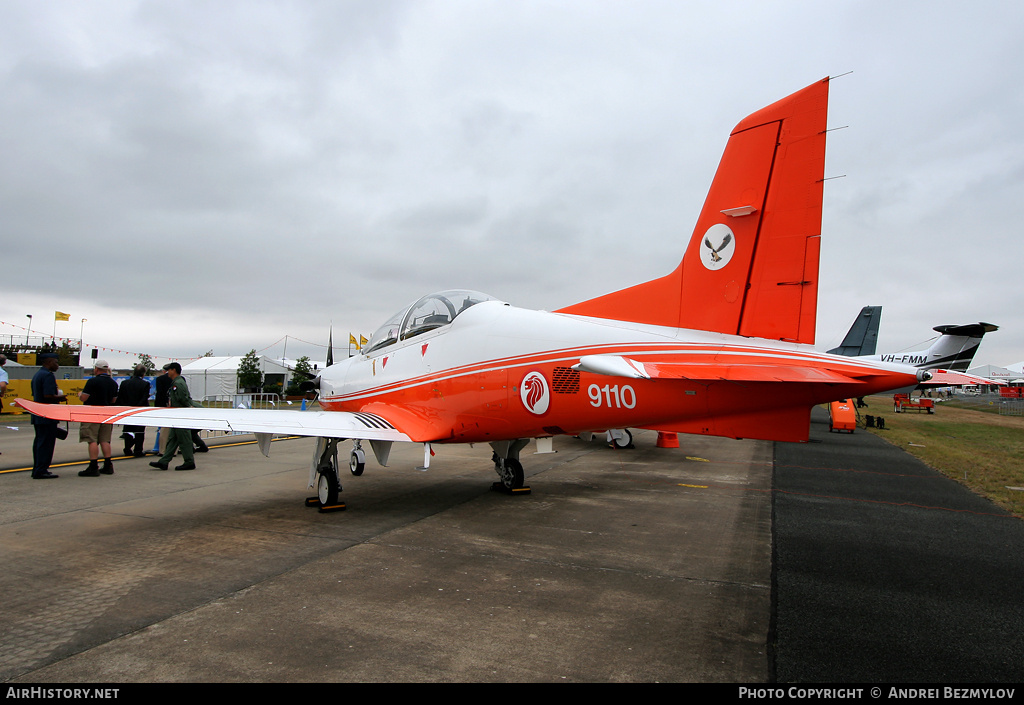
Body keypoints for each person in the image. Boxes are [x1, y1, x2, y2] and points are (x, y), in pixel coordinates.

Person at [150, 362, 197, 471]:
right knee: (173, 439)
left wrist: (185, 411)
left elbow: (183, 399)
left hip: (180, 415)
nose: (167, 372)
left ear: (174, 370)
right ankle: (164, 462)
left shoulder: (178, 383)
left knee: (184, 439)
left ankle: (189, 462)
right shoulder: (176, 382)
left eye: (169, 370)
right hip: (177, 416)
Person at [78, 360, 118, 476]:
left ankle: (93, 465)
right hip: (107, 413)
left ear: (96, 369)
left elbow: (84, 398)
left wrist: (80, 394)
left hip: (92, 413)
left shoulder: (92, 381)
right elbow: (113, 400)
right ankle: (108, 464)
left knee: (92, 439)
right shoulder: (113, 383)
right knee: (104, 439)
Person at [30, 353, 67, 479]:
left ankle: (37, 468)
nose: (57, 365)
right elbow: (48, 396)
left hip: (38, 414)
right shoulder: (47, 376)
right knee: (46, 444)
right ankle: (41, 470)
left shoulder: (37, 375)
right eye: (55, 362)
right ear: (48, 362)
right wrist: (60, 397)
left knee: (40, 443)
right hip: (47, 415)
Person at [117, 364, 151, 457]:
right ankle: (138, 450)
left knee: (128, 430)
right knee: (139, 431)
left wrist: (126, 407)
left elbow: (120, 397)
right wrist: (138, 407)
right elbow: (144, 398)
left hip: (127, 410)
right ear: (143, 373)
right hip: (139, 410)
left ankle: (127, 448)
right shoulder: (145, 384)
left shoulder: (124, 383)